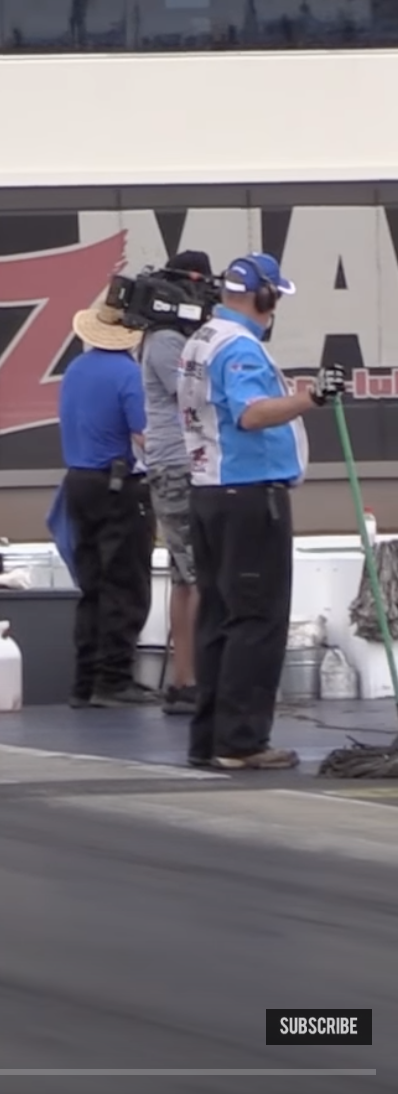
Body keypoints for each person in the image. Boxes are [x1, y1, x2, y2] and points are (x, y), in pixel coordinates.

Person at [178, 252, 331, 771]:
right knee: (257, 620)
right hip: (246, 493)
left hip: (210, 493)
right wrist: (311, 399)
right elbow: (250, 413)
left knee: (220, 617)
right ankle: (241, 741)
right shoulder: (239, 346)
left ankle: (210, 739)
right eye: (274, 298)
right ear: (262, 296)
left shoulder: (202, 338)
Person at [57, 295, 160, 708]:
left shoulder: (76, 370)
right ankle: (114, 678)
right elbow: (143, 435)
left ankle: (85, 681)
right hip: (118, 483)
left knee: (92, 585)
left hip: (78, 482)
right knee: (126, 584)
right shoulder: (127, 374)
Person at [139, 250, 216, 715]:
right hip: (178, 466)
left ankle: (186, 678)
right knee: (198, 573)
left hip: (180, 464)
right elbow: (195, 394)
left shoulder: (169, 338)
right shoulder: (166, 340)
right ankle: (194, 678)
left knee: (186, 578)